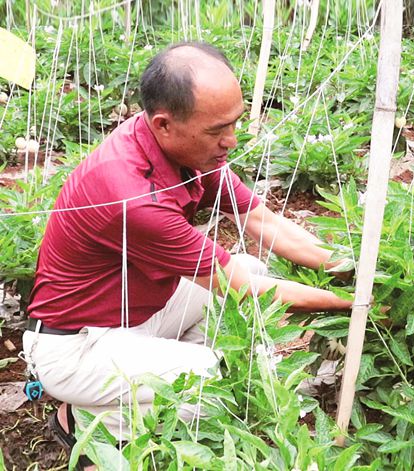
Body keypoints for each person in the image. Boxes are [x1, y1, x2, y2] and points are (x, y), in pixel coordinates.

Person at [22, 42, 351, 464]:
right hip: (77, 348)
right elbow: (241, 286)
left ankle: (153, 386)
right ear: (163, 124)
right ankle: (88, 423)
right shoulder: (133, 197)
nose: (231, 141)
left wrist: (350, 269)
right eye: (218, 130)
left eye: (233, 123)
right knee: (221, 382)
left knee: (247, 273)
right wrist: (351, 304)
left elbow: (262, 222)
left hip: (129, 315)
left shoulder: (182, 147)